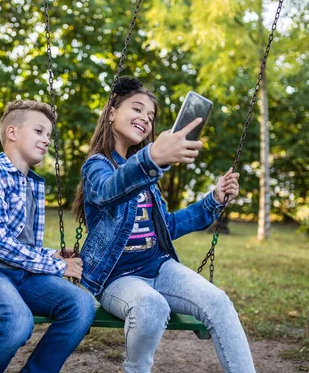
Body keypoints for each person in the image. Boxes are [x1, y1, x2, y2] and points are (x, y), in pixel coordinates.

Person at [71, 77, 255, 373]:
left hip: (159, 267)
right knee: (150, 306)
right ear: (111, 112)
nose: (145, 118)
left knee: (218, 302)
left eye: (151, 116)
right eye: (137, 109)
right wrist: (152, 158)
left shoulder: (146, 175)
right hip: (118, 278)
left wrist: (213, 200)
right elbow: (108, 192)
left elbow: (166, 227)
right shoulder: (98, 165)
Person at [0, 100, 95, 373]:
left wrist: (50, 254)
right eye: (39, 131)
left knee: (82, 304)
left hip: (23, 274)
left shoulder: (32, 184)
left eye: (49, 135)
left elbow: (23, 245)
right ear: (12, 132)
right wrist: (58, 266)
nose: (47, 140)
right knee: (16, 320)